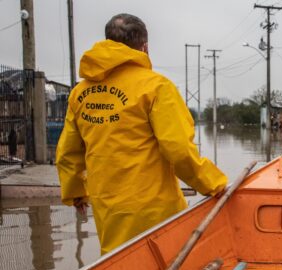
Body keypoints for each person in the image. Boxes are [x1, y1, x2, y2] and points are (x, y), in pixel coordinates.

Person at [56, 13, 227, 254]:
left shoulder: (80, 93)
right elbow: (178, 149)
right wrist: (214, 184)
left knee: (119, 268)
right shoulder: (156, 86)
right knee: (161, 268)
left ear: (108, 42)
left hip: (108, 208)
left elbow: (69, 152)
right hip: (154, 209)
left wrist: (75, 192)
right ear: (144, 47)